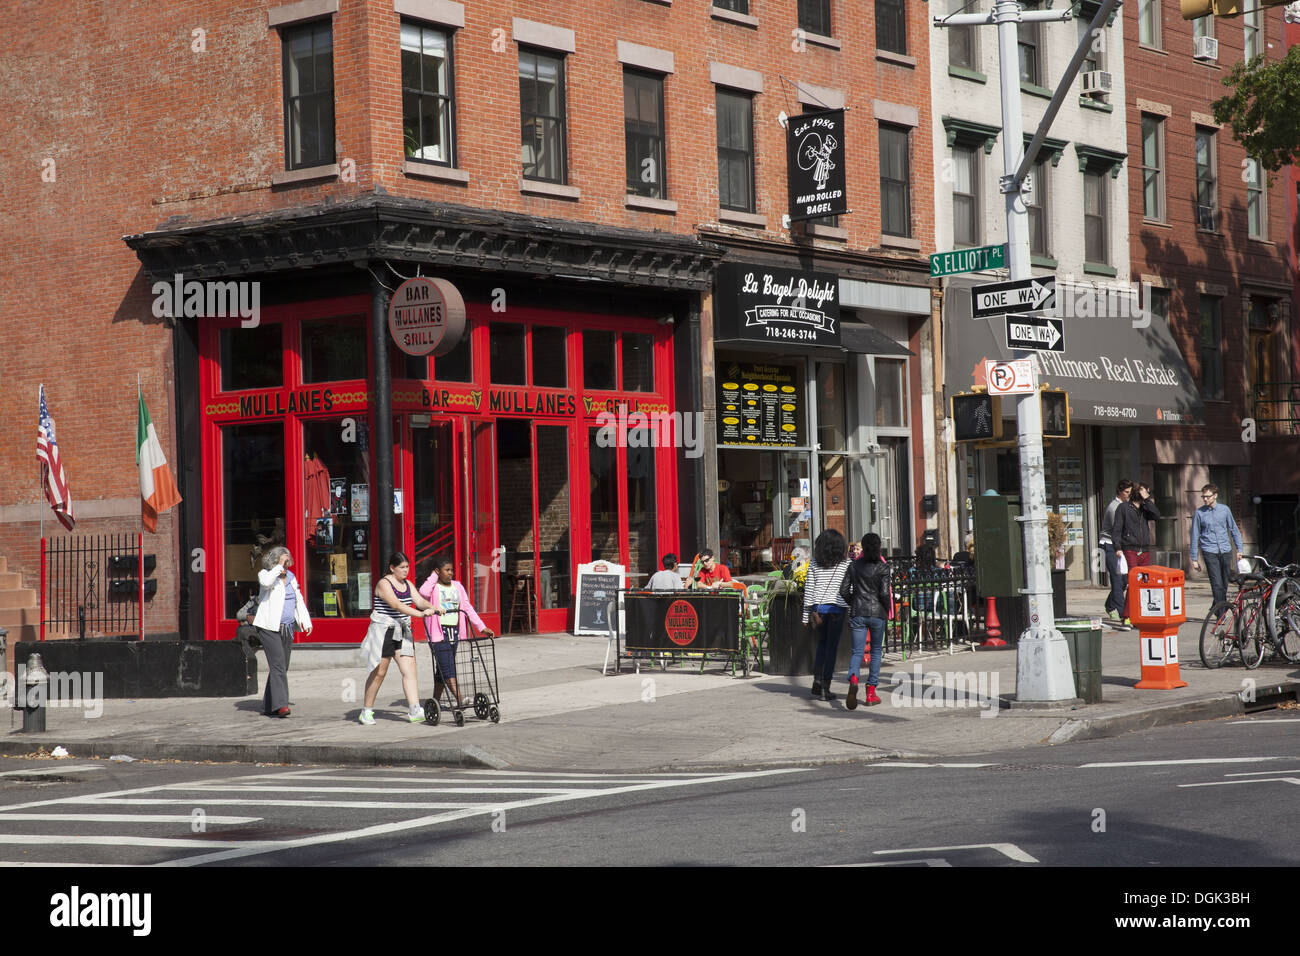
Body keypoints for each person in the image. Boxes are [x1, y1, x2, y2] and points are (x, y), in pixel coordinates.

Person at [358, 551, 436, 725]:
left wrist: (434, 607)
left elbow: (420, 601)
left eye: (407, 567)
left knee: (409, 670)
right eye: (401, 567)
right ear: (392, 568)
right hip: (385, 631)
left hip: (403, 631)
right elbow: (396, 605)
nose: (405, 570)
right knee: (379, 672)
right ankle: (366, 711)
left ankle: (415, 709)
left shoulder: (407, 584)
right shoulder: (384, 584)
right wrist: (421, 614)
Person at [418, 555, 493, 709]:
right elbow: (423, 592)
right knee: (448, 667)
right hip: (438, 634)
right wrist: (434, 576)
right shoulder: (433, 588)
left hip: (454, 633)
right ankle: (460, 698)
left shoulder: (458, 586)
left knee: (443, 668)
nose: (451, 573)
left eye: (452, 570)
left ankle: (435, 702)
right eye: (447, 570)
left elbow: (467, 607)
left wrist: (481, 627)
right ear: (438, 571)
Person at [251, 546, 312, 717]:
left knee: (282, 666)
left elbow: (298, 600)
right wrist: (278, 567)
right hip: (269, 627)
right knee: (277, 664)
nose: (287, 563)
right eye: (284, 560)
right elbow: (266, 583)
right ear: (275, 560)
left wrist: (305, 621)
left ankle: (269, 705)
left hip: (287, 627)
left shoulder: (291, 578)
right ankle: (282, 705)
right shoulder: (266, 574)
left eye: (288, 560)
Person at [840, 533, 890, 709]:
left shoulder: (853, 566)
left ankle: (854, 677)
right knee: (876, 651)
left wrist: (854, 602)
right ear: (878, 547)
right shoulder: (883, 567)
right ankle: (870, 692)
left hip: (858, 612)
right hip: (877, 613)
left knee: (857, 652)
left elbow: (843, 590)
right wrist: (887, 608)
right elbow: (884, 593)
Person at [802, 529, 850, 702]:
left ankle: (817, 679)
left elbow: (809, 589)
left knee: (821, 645)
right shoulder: (846, 564)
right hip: (837, 609)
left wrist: (805, 615)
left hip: (818, 610)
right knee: (831, 649)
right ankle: (825, 687)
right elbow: (849, 590)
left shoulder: (814, 563)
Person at [1190, 483, 1243, 607]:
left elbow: (1234, 529)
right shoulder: (1199, 513)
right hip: (1209, 551)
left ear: (1215, 496)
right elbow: (1194, 535)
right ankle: (1221, 613)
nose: (1205, 499)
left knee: (1224, 583)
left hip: (1225, 550)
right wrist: (1194, 558)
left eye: (1207, 496)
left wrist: (1239, 549)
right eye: (1203, 497)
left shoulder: (1225, 510)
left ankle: (1216, 605)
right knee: (1216, 583)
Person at [1115, 481, 1160, 623]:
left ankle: (1142, 613)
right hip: (1130, 549)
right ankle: (1127, 615)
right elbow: (1117, 529)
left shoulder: (1145, 508)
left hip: (1144, 550)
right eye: (1145, 491)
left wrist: (1147, 500)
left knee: (1145, 583)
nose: (1147, 493)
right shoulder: (1123, 508)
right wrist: (1117, 548)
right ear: (1138, 492)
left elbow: (1157, 515)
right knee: (1134, 582)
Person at [1098, 479, 1134, 628]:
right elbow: (1118, 530)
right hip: (1109, 545)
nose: (1128, 495)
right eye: (1126, 492)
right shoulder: (1114, 508)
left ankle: (1110, 604)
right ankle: (1121, 613)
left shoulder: (1124, 505)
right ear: (1119, 491)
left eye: (1130, 493)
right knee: (1118, 580)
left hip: (1119, 545)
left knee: (1125, 580)